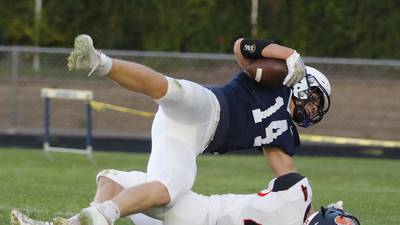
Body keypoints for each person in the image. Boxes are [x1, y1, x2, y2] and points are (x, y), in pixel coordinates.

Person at [59, 34, 331, 225]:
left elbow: (291, 181)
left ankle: (100, 215)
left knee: (167, 190)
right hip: (210, 107)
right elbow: (241, 47)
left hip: (190, 140)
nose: (313, 110)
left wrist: (309, 217)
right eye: (316, 100)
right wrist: (289, 55)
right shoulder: (278, 79)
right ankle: (97, 60)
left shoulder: (285, 134)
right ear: (305, 82)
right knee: (169, 89)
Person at [10, 170, 359, 225]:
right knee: (121, 203)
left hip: (194, 210)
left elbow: (286, 177)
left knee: (111, 179)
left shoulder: (300, 193)